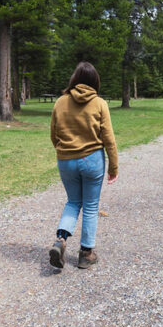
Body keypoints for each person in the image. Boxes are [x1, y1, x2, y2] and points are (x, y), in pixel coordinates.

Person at [48, 61, 118, 270]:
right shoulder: (99, 103)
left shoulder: (60, 102)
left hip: (65, 159)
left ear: (74, 80)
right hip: (92, 159)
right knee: (89, 205)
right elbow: (109, 139)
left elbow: (54, 134)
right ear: (95, 81)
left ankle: (61, 240)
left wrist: (64, 151)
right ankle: (86, 254)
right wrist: (113, 168)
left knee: (73, 201)